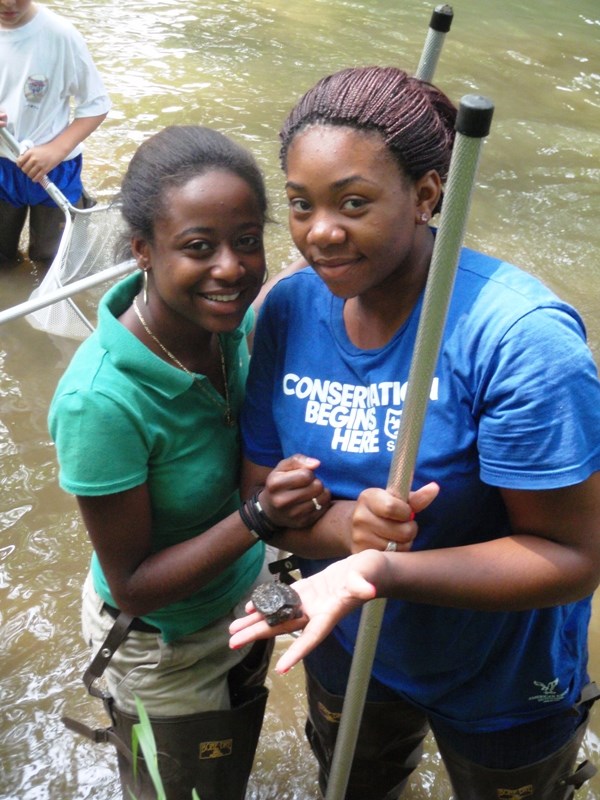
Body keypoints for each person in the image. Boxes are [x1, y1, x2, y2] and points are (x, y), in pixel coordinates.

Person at [229, 66, 600, 799]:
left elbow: (572, 558)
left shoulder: (520, 341)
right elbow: (263, 498)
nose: (320, 232)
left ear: (429, 193)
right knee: (354, 783)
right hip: (345, 637)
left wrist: (378, 569)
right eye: (300, 205)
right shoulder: (287, 311)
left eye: (354, 202)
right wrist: (345, 530)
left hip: (502, 676)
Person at [48, 125, 328, 800]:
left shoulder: (230, 329)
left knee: (230, 746)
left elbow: (280, 294)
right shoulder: (101, 401)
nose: (231, 268)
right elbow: (135, 584)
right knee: (181, 787)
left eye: (247, 241)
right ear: (142, 249)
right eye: (199, 248)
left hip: (241, 592)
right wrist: (259, 516)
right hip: (161, 638)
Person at [0, 0, 110, 264]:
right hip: (2, 168)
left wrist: (55, 150)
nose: (8, 2)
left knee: (51, 258)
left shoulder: (61, 36)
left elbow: (96, 105)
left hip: (54, 167)